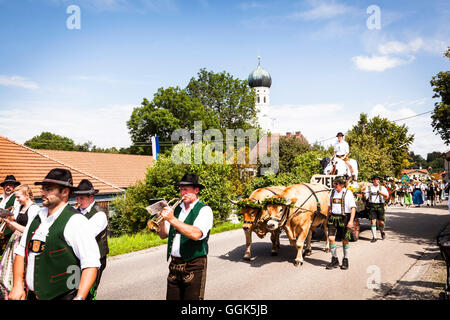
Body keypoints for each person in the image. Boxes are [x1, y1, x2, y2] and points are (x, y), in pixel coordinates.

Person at [9, 168, 100, 300]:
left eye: (49, 189)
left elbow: (90, 264)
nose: (43, 193)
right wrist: (17, 285)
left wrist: (79, 297)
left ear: (64, 192)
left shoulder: (76, 221)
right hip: (32, 295)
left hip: (64, 295)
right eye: (43, 189)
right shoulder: (37, 216)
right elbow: (21, 252)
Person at [156, 173, 213, 300]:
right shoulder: (176, 209)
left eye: (186, 189)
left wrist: (172, 219)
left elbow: (196, 234)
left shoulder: (204, 210)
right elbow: (163, 235)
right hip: (174, 265)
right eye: (181, 189)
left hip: (194, 264)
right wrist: (160, 221)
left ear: (196, 190)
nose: (182, 193)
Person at [0, 185, 40, 300]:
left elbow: (30, 230)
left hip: (25, 241)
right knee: (5, 270)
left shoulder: (34, 209)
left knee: (22, 271)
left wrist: (12, 223)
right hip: (14, 240)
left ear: (27, 195)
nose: (17, 199)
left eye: (18, 197)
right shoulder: (19, 207)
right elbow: (15, 228)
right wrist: (8, 221)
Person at [73, 179, 109, 300]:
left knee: (89, 291)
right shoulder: (75, 212)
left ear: (91, 197)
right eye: (77, 198)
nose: (78, 201)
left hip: (96, 258)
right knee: (75, 288)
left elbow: (86, 234)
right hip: (78, 257)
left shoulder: (100, 213)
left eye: (81, 198)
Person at [325, 176, 356, 270]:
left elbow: (353, 208)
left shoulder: (348, 193)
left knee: (345, 240)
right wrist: (326, 219)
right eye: (334, 183)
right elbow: (329, 208)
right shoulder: (332, 192)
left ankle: (345, 259)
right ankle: (334, 260)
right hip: (333, 217)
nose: (334, 185)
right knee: (330, 238)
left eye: (336, 184)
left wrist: (351, 221)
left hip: (344, 218)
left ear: (342, 185)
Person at [364, 175, 389, 242]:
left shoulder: (382, 188)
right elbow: (365, 197)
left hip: (380, 205)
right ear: (373, 180)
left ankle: (382, 231)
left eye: (377, 179)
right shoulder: (368, 188)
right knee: (373, 221)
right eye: (375, 179)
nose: (376, 180)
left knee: (381, 222)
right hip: (372, 205)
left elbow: (387, 196)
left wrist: (381, 193)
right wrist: (364, 194)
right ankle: (374, 237)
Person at [0, 175, 21, 254]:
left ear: (15, 187)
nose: (8, 187)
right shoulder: (0, 197)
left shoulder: (16, 198)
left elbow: (15, 216)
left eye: (11, 185)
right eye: (6, 185)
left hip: (8, 232)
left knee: (5, 253)